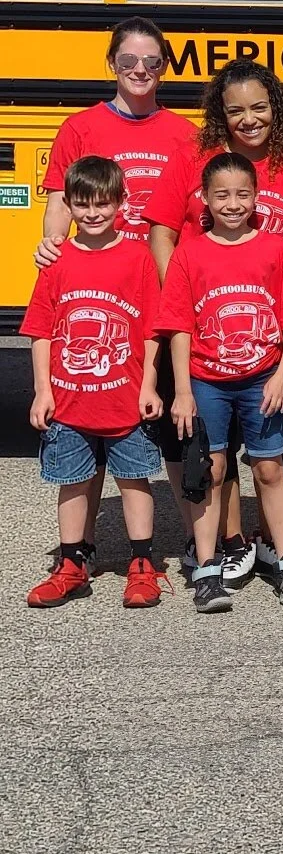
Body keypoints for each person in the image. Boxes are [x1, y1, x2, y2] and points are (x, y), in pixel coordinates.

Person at [146, 59, 283, 586]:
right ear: (220, 114)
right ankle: (228, 543)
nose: (249, 119)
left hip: (271, 340)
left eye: (259, 107)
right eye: (235, 111)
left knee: (270, 447)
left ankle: (273, 545)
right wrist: (185, 301)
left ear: (277, 107)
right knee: (215, 449)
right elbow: (162, 234)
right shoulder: (193, 158)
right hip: (206, 338)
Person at [35, 17, 198, 575]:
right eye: (129, 60)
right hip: (99, 290)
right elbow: (59, 201)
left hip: (160, 292)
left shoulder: (184, 133)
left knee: (163, 419)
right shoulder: (80, 127)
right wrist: (52, 249)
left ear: (165, 67)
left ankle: (192, 539)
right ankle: (77, 553)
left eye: (152, 62)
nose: (139, 70)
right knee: (88, 413)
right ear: (111, 64)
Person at [159, 154, 283, 612]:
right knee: (210, 469)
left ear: (256, 197)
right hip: (207, 381)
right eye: (222, 195)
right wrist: (182, 390)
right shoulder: (189, 252)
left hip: (262, 379)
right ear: (204, 199)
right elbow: (179, 326)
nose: (232, 204)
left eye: (243, 194)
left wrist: (282, 375)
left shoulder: (275, 250)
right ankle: (207, 568)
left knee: (270, 468)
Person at [23, 158, 165, 609]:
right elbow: (41, 330)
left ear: (121, 202)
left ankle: (142, 563)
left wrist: (149, 385)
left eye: (102, 203)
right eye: (82, 205)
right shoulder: (57, 259)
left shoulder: (137, 258)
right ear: (68, 205)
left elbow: (151, 329)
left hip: (125, 398)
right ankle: (71, 564)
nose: (93, 213)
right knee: (72, 482)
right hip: (68, 401)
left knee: (133, 480)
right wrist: (43, 390)